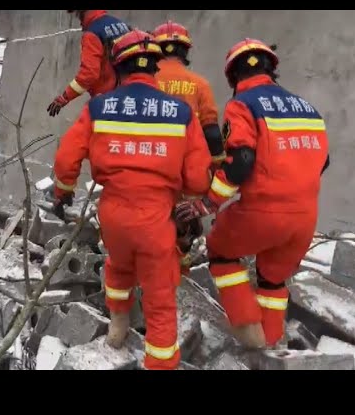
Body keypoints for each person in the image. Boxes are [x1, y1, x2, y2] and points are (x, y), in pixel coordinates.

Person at [52, 30, 212, 370]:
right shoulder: (181, 112)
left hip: (113, 214)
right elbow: (198, 176)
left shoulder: (99, 107)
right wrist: (193, 201)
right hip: (157, 217)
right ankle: (161, 362)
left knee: (119, 266)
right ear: (155, 66)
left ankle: (117, 329)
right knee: (159, 292)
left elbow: (67, 157)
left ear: (118, 66)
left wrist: (62, 192)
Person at [174, 38, 330, 349]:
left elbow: (241, 161)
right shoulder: (307, 108)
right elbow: (323, 161)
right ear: (273, 70)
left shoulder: (243, 105)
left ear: (232, 76)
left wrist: (207, 203)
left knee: (221, 250)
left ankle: (249, 334)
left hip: (263, 213)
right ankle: (270, 347)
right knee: (272, 279)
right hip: (305, 219)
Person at [153, 21, 225, 164]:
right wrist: (219, 165)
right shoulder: (200, 84)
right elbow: (211, 132)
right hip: (189, 164)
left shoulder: (144, 82)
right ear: (185, 50)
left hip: (150, 159)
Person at [47, 10, 131, 117]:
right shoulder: (121, 25)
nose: (79, 21)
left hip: (109, 103)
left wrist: (64, 97)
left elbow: (89, 74)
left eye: (78, 15)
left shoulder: (93, 34)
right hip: (130, 98)